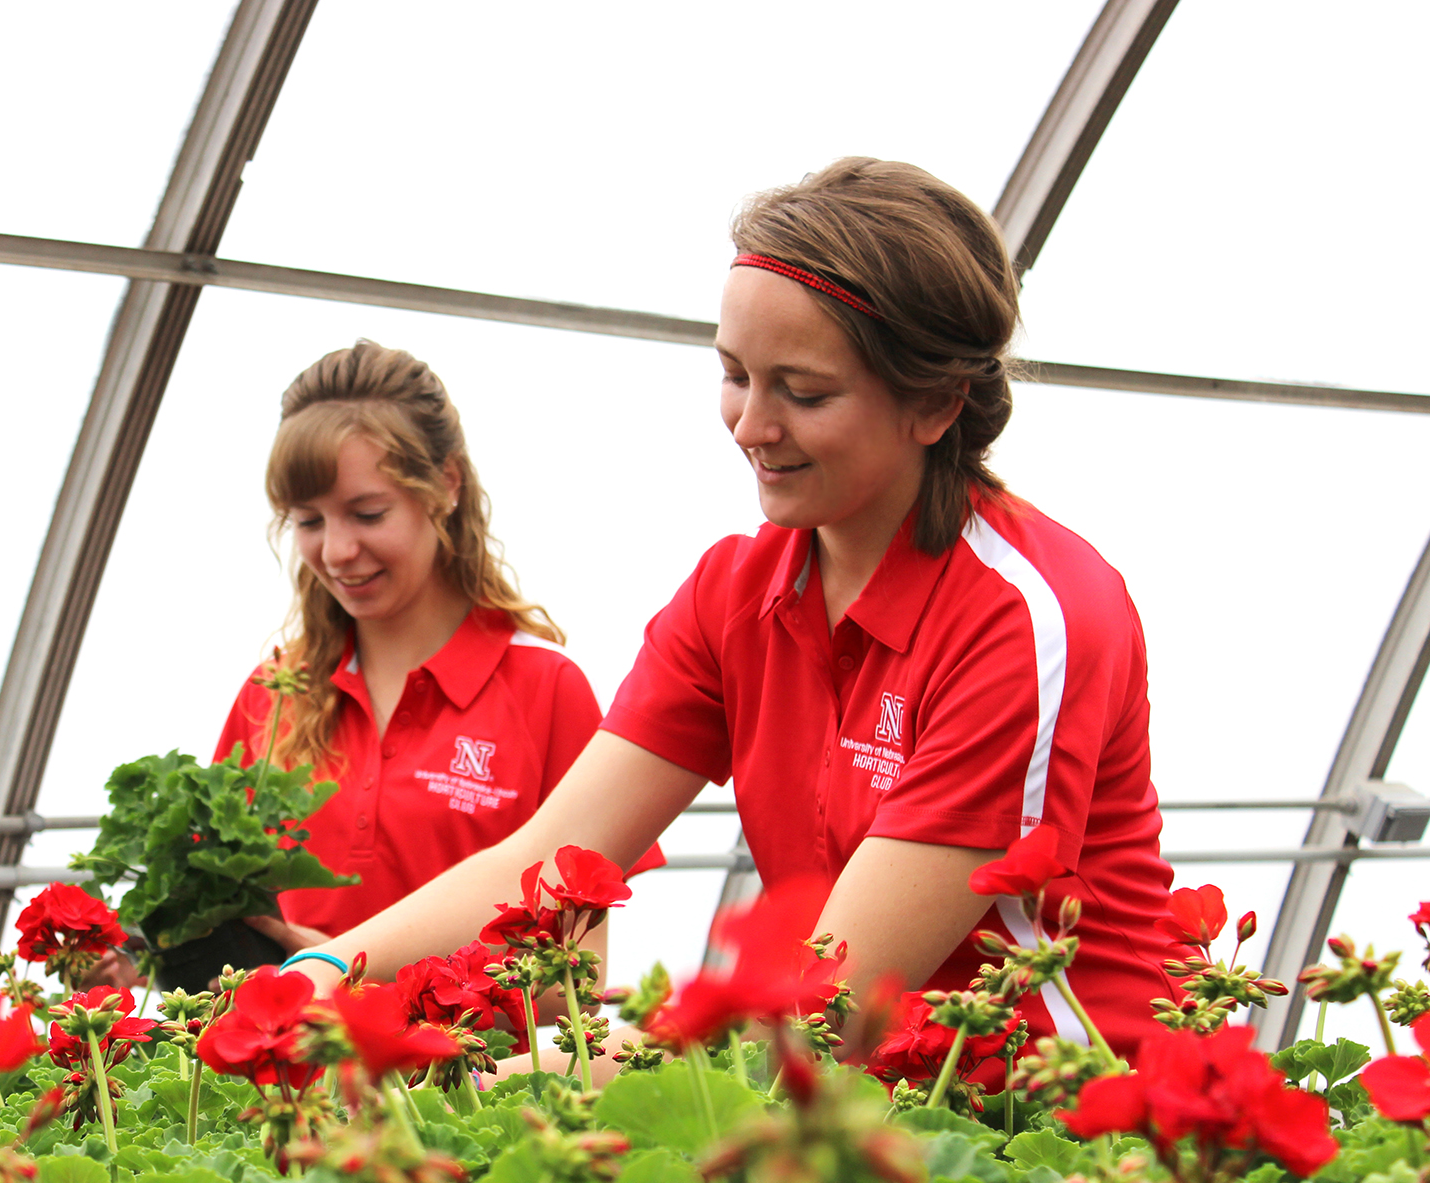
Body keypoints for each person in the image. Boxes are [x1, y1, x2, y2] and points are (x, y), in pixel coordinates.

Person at [283, 160, 1184, 1069]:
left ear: (936, 404)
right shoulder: (735, 594)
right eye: (734, 375)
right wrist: (322, 970)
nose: (751, 425)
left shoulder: (1024, 619)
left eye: (804, 391)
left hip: (1056, 1123)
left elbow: (834, 1001)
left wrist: (515, 1074)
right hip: (856, 1110)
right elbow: (554, 853)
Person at [217, 341, 663, 958]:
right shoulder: (273, 693)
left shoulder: (546, 691)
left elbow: (574, 985)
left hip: (470, 1057)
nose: (338, 551)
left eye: (367, 513)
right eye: (309, 522)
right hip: (295, 1053)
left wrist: (338, 973)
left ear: (445, 485)